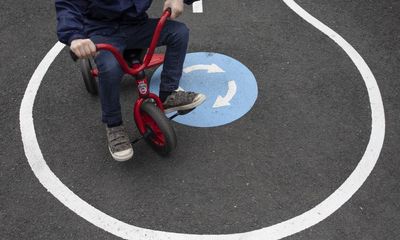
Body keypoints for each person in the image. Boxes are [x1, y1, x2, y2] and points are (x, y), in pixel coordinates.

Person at [55, 0, 206, 161]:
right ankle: (114, 125)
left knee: (179, 32)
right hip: (102, 31)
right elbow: (67, 5)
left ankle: (168, 94)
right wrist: (74, 36)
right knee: (110, 68)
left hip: (136, 25)